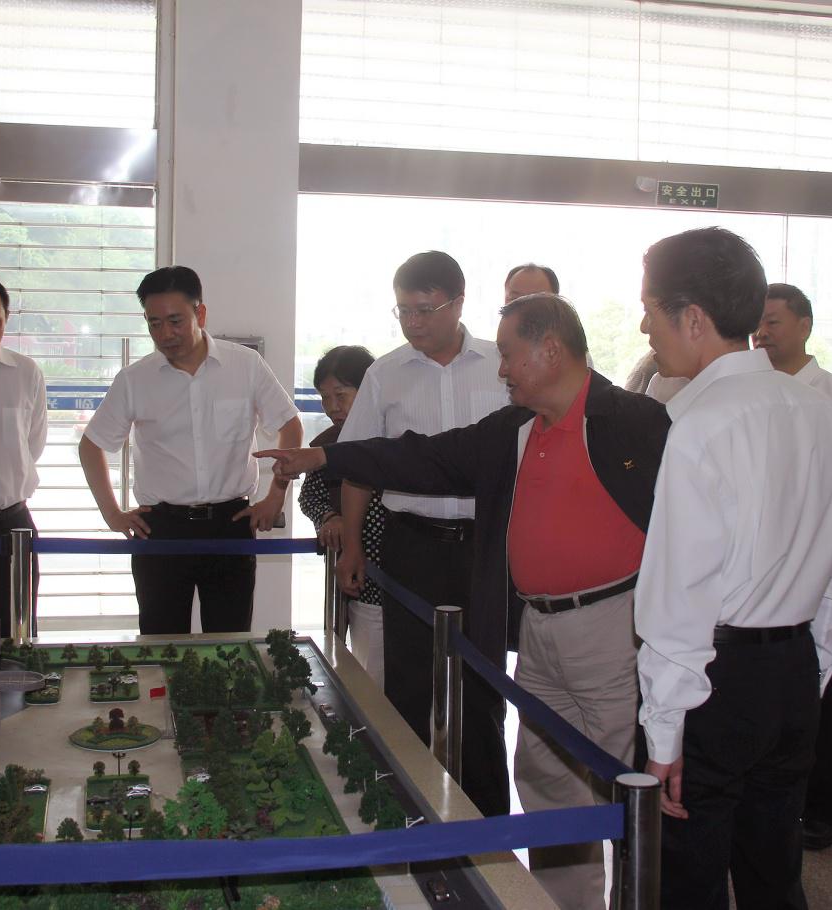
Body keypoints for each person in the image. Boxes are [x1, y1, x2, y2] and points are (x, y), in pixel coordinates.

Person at [262, 296, 669, 906]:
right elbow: (423, 455)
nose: (500, 369)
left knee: (623, 788)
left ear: (550, 351)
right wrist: (326, 455)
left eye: (508, 355)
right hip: (537, 629)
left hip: (611, 627)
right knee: (546, 782)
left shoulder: (634, 422)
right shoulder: (514, 429)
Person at [635, 227, 832, 910]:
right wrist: (813, 669)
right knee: (774, 873)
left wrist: (663, 734)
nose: (646, 329)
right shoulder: (822, 413)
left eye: (649, 311)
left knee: (689, 876)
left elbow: (681, 595)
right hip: (793, 668)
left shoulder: (699, 423)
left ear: (692, 319)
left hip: (716, 680)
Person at [335, 250, 511, 818]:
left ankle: (486, 831)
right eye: (403, 311)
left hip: (485, 548)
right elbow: (360, 465)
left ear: (458, 303)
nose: (412, 323)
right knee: (409, 688)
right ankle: (410, 816)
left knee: (483, 690)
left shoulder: (501, 366)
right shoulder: (385, 374)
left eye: (424, 310)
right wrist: (354, 546)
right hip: (410, 547)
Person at [79, 266, 301, 634]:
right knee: (161, 643)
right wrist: (112, 514)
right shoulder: (135, 379)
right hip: (161, 528)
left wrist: (275, 496)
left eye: (175, 321)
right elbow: (91, 446)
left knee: (229, 643)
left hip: (231, 523)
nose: (165, 334)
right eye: (154, 324)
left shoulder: (244, 365)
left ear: (200, 313)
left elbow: (290, 426)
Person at [754, 282, 832, 851]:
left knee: (819, 698)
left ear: (805, 325)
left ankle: (823, 807)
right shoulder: (753, 395)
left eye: (774, 321)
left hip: (822, 575)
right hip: (766, 575)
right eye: (757, 322)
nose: (762, 332)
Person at [297, 345, 388, 685]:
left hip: (407, 579)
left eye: (341, 395)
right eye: (325, 397)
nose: (332, 406)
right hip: (362, 584)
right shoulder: (327, 443)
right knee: (370, 678)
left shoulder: (396, 436)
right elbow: (310, 494)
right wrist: (328, 517)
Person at [0, 275, 48, 639]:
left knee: (17, 638)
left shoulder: (26, 372)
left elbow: (33, 443)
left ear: (6, 319)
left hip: (12, 525)